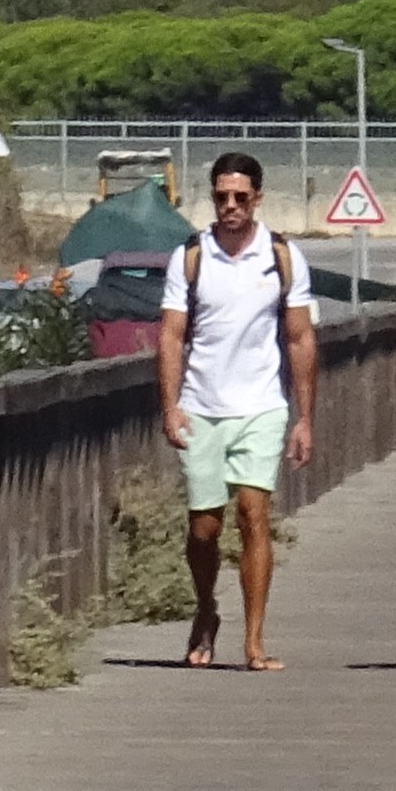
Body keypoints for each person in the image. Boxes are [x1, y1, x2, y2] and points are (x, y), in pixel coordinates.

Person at [153, 154, 316, 670]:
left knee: (254, 515)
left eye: (240, 197)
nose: (230, 206)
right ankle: (206, 611)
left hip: (263, 405)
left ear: (258, 199)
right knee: (204, 526)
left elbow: (300, 338)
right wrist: (170, 406)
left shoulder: (282, 255)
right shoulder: (191, 256)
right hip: (202, 407)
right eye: (222, 197)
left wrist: (304, 417)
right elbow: (172, 337)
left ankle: (254, 640)